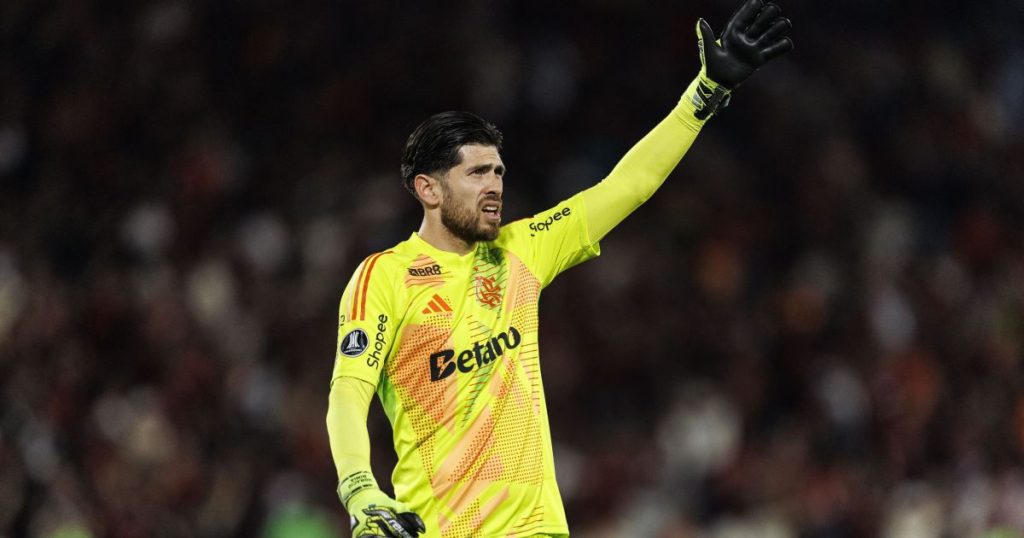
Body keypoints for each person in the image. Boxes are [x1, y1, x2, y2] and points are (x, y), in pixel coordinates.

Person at [326, 1, 793, 536]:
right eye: (476, 173)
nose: (494, 186)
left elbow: (627, 186)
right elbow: (348, 392)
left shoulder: (522, 249)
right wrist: (360, 490)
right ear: (428, 189)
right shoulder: (385, 277)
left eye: (498, 172)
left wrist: (704, 94)